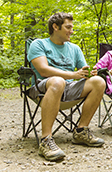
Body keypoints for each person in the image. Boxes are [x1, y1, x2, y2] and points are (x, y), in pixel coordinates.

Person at [28, 12, 106, 161]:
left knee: (99, 81)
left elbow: (82, 71)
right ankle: (46, 140)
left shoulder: (74, 48)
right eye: (68, 27)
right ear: (55, 27)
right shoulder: (39, 44)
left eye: (72, 27)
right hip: (42, 88)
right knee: (57, 81)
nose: (71, 31)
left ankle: (81, 131)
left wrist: (89, 73)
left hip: (69, 88)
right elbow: (43, 70)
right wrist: (72, 75)